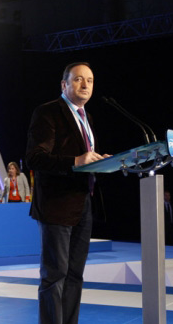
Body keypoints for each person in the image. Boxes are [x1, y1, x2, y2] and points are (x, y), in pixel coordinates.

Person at [26, 62, 109, 324]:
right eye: (78, 80)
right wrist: (75, 161)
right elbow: (35, 158)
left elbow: (84, 159)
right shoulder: (48, 112)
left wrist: (100, 163)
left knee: (75, 275)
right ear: (64, 84)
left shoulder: (87, 117)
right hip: (56, 205)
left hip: (83, 204)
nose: (85, 85)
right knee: (55, 275)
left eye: (90, 80)